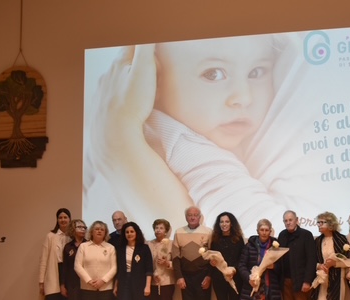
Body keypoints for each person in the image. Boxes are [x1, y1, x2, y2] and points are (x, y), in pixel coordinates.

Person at [84, 34, 326, 236]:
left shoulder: (123, 125)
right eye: (213, 74)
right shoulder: (186, 147)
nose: (243, 97)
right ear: (154, 79)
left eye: (256, 72)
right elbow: (257, 232)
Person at [173, 206, 213, 300]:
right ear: (186, 217)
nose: (192, 217)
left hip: (203, 275)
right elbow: (175, 257)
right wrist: (179, 277)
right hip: (186, 276)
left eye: (195, 215)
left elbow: (213, 257)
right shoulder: (179, 232)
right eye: (190, 215)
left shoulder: (208, 232)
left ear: (200, 217)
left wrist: (209, 276)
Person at [238, 219, 282, 300]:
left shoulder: (276, 246)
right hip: (254, 286)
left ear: (270, 231)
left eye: (266, 230)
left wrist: (275, 267)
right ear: (257, 231)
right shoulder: (249, 246)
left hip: (269, 286)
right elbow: (241, 265)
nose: (264, 232)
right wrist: (249, 278)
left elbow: (283, 266)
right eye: (261, 230)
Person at [277, 210, 316, 300]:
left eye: (290, 220)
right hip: (285, 281)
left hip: (301, 281)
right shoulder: (282, 235)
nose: (288, 223)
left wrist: (307, 281)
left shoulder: (306, 235)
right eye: (286, 220)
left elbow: (311, 260)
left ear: (297, 220)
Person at [312, 212, 350, 300]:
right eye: (318, 222)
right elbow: (312, 260)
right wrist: (319, 266)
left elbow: (349, 260)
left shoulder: (341, 239)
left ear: (331, 224)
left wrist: (335, 263)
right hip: (321, 279)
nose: (319, 225)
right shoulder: (317, 241)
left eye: (322, 222)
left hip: (336, 279)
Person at [210, 212, 245, 300]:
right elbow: (212, 257)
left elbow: (241, 259)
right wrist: (212, 262)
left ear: (232, 223)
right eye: (221, 222)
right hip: (219, 279)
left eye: (227, 221)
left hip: (234, 278)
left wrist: (233, 270)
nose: (224, 224)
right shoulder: (215, 239)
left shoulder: (238, 239)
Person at [38, 208, 71, 300]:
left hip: (67, 275)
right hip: (52, 274)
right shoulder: (50, 236)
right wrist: (41, 281)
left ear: (69, 219)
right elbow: (43, 259)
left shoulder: (72, 236)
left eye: (65, 217)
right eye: (60, 217)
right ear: (57, 220)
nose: (63, 220)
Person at [147, 219, 175, 300]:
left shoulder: (171, 244)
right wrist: (152, 274)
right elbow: (146, 263)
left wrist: (167, 263)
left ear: (166, 231)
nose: (158, 230)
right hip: (152, 282)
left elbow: (176, 263)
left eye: (161, 228)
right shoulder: (149, 244)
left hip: (166, 282)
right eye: (156, 228)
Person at [61, 219, 88, 300]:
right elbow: (65, 268)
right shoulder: (68, 247)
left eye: (84, 227)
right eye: (79, 227)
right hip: (72, 284)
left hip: (86, 284)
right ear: (73, 229)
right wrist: (62, 285)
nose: (82, 229)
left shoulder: (89, 245)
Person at [108, 210, 127, 300]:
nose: (117, 222)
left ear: (125, 219)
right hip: (114, 279)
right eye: (114, 220)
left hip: (129, 279)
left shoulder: (132, 234)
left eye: (119, 219)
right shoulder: (110, 238)